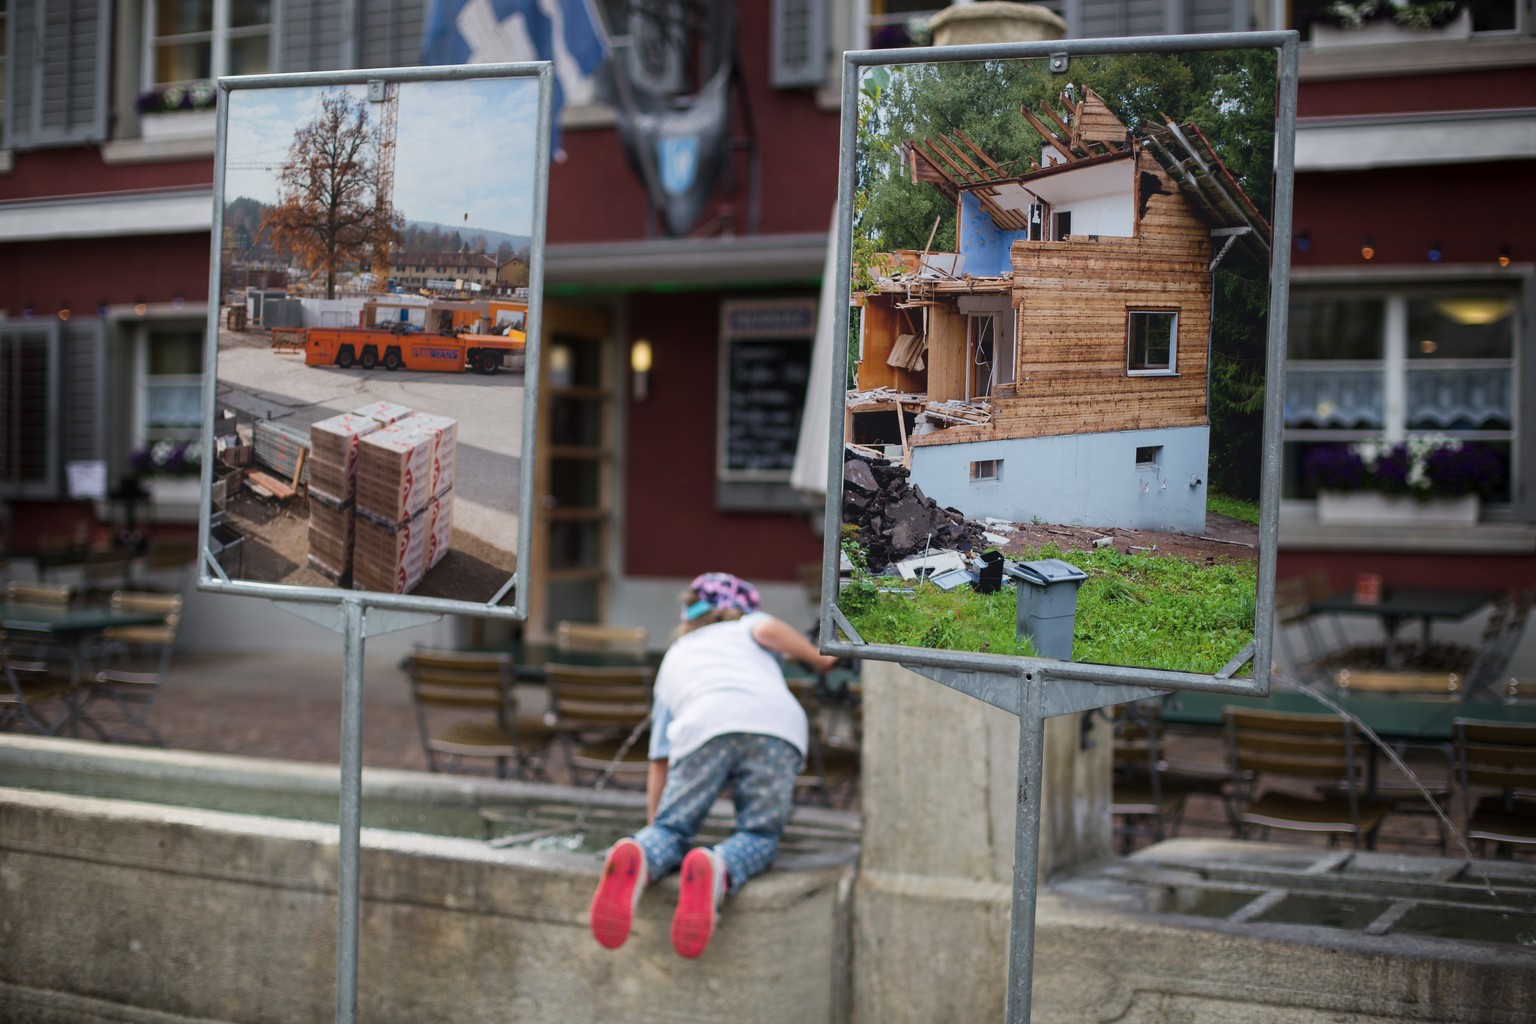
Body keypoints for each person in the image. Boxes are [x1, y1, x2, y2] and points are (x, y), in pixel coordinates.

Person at [589, 571, 839, 958]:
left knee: (672, 829)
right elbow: (771, 629)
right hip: (774, 726)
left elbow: (659, 760)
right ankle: (720, 866)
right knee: (759, 834)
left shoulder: (674, 656)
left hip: (703, 724)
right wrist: (818, 659)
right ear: (739, 608)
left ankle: (640, 854)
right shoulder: (749, 625)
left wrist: (657, 827)